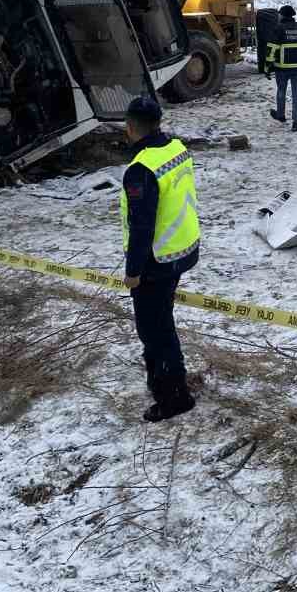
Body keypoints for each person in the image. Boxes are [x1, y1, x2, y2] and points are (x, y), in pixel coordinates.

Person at [120, 95, 199, 423]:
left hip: (157, 262)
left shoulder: (141, 169)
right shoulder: (176, 148)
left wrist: (133, 272)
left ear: (130, 127)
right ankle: (162, 379)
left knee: (155, 330)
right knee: (161, 323)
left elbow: (141, 226)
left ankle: (173, 396)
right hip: (183, 251)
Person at [266, 5, 297, 131]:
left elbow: (272, 49)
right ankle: (296, 123)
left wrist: (267, 66)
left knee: (281, 91)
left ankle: (280, 115)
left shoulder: (278, 29)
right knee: (296, 95)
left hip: (282, 68)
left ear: (282, 15)